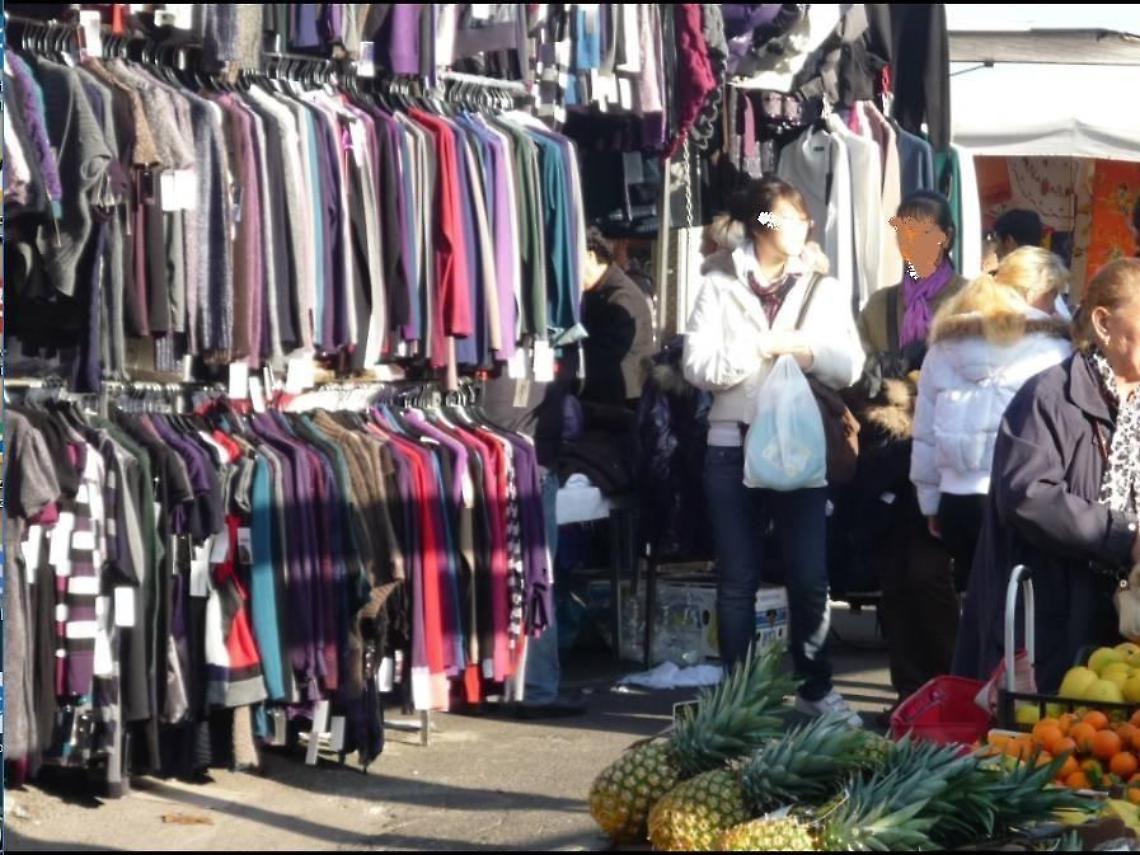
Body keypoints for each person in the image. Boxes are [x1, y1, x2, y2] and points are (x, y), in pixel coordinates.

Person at [683, 176, 865, 726]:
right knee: (737, 578)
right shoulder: (717, 285)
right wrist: (759, 347)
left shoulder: (822, 289)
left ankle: (816, 686)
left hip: (800, 449)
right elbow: (699, 368)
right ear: (763, 223)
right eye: (788, 218)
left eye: (804, 219)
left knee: (809, 576)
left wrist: (801, 349)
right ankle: (738, 698)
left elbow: (849, 364)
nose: (800, 228)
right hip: (731, 444)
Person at [954, 258, 1140, 693]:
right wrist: (1125, 535)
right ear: (1104, 324)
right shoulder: (1050, 396)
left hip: (1122, 616)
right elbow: (1027, 496)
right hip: (1055, 613)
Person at [853, 191, 967, 707]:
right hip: (884, 452)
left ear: (946, 238)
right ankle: (907, 697)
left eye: (925, 230)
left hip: (940, 451)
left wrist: (910, 369)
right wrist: (884, 376)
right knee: (893, 580)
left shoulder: (967, 299)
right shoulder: (879, 303)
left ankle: (953, 688)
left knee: (928, 576)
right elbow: (862, 375)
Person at [911, 247, 1074, 596]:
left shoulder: (944, 345)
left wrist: (930, 501)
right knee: (1019, 613)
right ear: (1035, 293)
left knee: (974, 610)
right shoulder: (1054, 350)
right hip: (1018, 498)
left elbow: (924, 432)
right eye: (1055, 293)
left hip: (955, 498)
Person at [579, 227, 656, 409]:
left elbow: (604, 358)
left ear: (590, 256)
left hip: (617, 408)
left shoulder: (620, 297)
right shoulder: (605, 290)